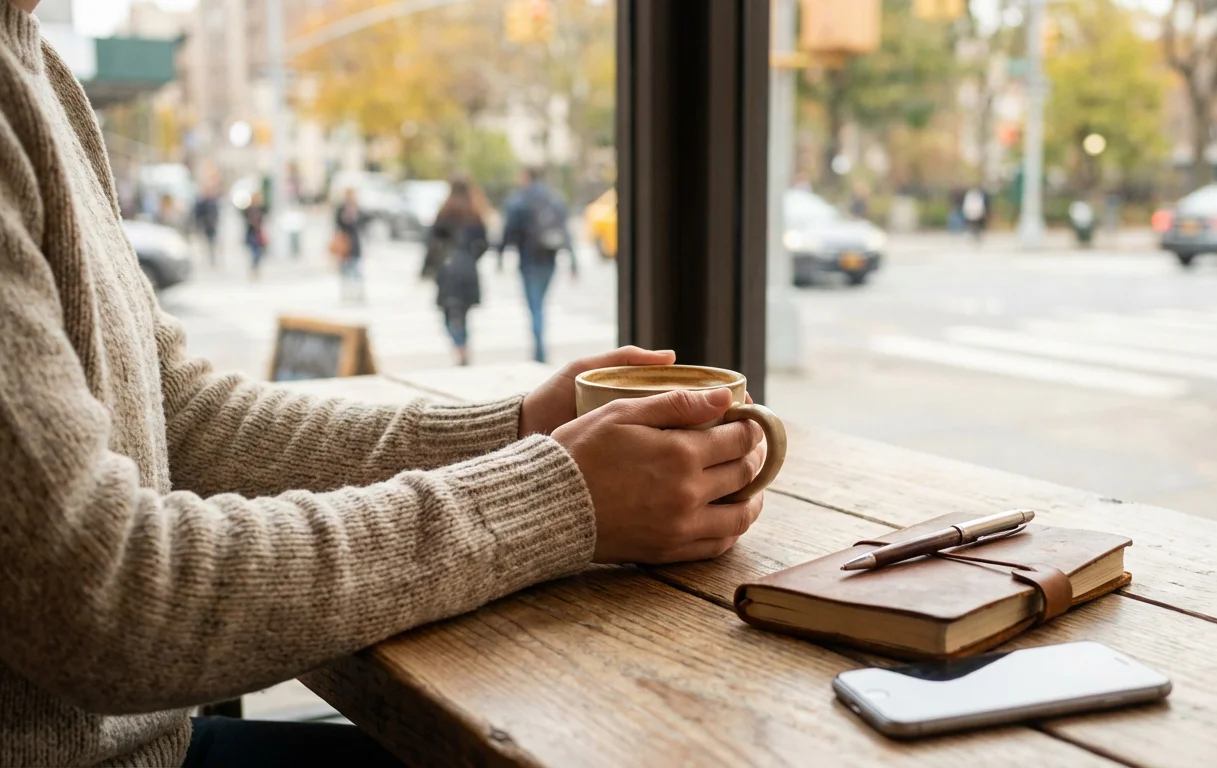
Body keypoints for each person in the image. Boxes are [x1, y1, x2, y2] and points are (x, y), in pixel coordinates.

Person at [0, 3, 766, 765]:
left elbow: (182, 417)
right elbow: (99, 599)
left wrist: (522, 430)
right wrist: (555, 499)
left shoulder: (38, 66)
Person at [500, 167, 577, 363]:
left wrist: (501, 255)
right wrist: (574, 264)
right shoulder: (555, 198)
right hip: (550, 260)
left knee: (535, 307)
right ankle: (540, 348)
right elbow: (566, 232)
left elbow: (509, 230)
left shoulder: (520, 199)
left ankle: (539, 351)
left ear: (526, 177)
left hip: (529, 260)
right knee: (540, 305)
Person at [431, 177, 490, 366]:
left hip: (448, 269)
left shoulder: (444, 213)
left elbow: (432, 243)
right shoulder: (475, 213)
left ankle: (459, 346)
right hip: (468, 269)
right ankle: (463, 345)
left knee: (448, 314)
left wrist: (429, 268)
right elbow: (485, 243)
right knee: (463, 315)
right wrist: (471, 257)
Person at [335, 187, 364, 302]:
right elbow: (337, 224)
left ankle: (358, 293)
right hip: (344, 244)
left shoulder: (357, 209)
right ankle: (346, 293)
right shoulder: (341, 209)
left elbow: (362, 223)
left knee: (357, 270)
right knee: (345, 271)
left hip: (355, 244)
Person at [193, 184, 220, 267]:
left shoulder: (213, 202)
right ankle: (205, 259)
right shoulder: (202, 202)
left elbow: (216, 213)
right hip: (204, 225)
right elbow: (197, 213)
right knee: (204, 243)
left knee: (212, 243)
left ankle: (212, 259)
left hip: (212, 225)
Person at [243, 190, 267, 281]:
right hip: (251, 234)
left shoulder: (261, 208)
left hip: (259, 234)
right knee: (254, 253)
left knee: (259, 253)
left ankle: (254, 267)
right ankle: (253, 268)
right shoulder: (248, 209)